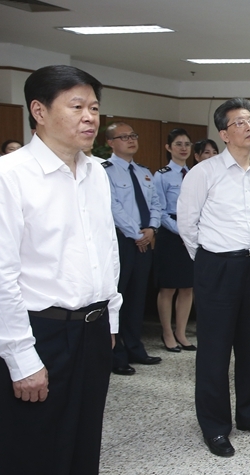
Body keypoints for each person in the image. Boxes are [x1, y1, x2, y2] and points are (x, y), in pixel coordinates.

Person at [0, 64, 122, 474]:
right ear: (39, 111)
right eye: (77, 106)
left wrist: (111, 318)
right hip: (39, 333)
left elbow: (106, 248)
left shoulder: (96, 172)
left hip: (93, 329)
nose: (89, 117)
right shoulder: (6, 176)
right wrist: (20, 358)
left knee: (83, 445)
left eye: (94, 108)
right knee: (33, 451)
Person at [177, 98, 250, 457]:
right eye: (240, 122)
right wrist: (210, 260)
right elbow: (187, 224)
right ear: (223, 133)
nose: (249, 127)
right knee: (215, 350)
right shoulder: (204, 172)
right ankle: (215, 426)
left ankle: (249, 415)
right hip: (217, 265)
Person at [104, 122, 163, 375]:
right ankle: (116, 354)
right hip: (122, 241)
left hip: (145, 239)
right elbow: (112, 207)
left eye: (133, 136)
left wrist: (152, 229)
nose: (131, 140)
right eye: (124, 137)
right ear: (110, 142)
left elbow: (156, 203)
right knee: (119, 297)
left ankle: (135, 347)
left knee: (138, 298)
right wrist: (136, 233)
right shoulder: (105, 171)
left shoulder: (144, 172)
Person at [153, 128, 196, 352]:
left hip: (192, 233)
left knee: (187, 287)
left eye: (187, 144)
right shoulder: (161, 175)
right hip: (171, 234)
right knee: (168, 288)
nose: (183, 148)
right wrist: (181, 231)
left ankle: (181, 331)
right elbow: (159, 210)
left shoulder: (195, 174)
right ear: (168, 148)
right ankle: (167, 332)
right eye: (178, 144)